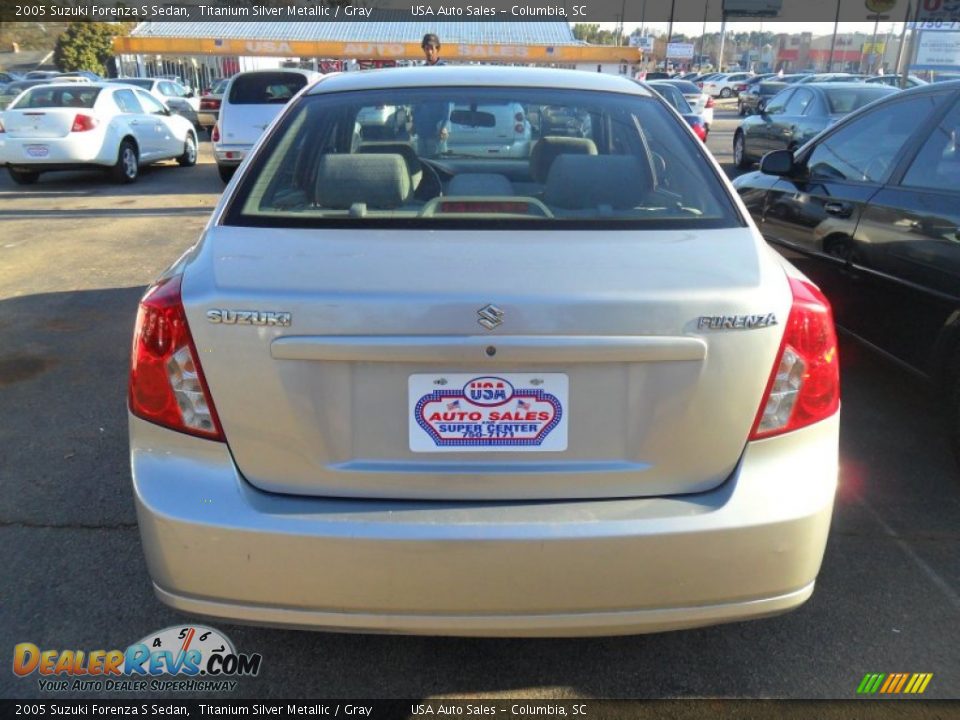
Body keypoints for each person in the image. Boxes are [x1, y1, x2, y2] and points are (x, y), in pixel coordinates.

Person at [413, 33, 451, 157]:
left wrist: (445, 126)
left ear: (437, 49)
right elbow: (417, 100)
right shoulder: (421, 72)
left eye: (432, 48)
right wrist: (414, 122)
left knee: (438, 162)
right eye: (426, 48)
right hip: (422, 130)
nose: (429, 52)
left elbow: (449, 101)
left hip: (438, 130)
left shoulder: (444, 71)